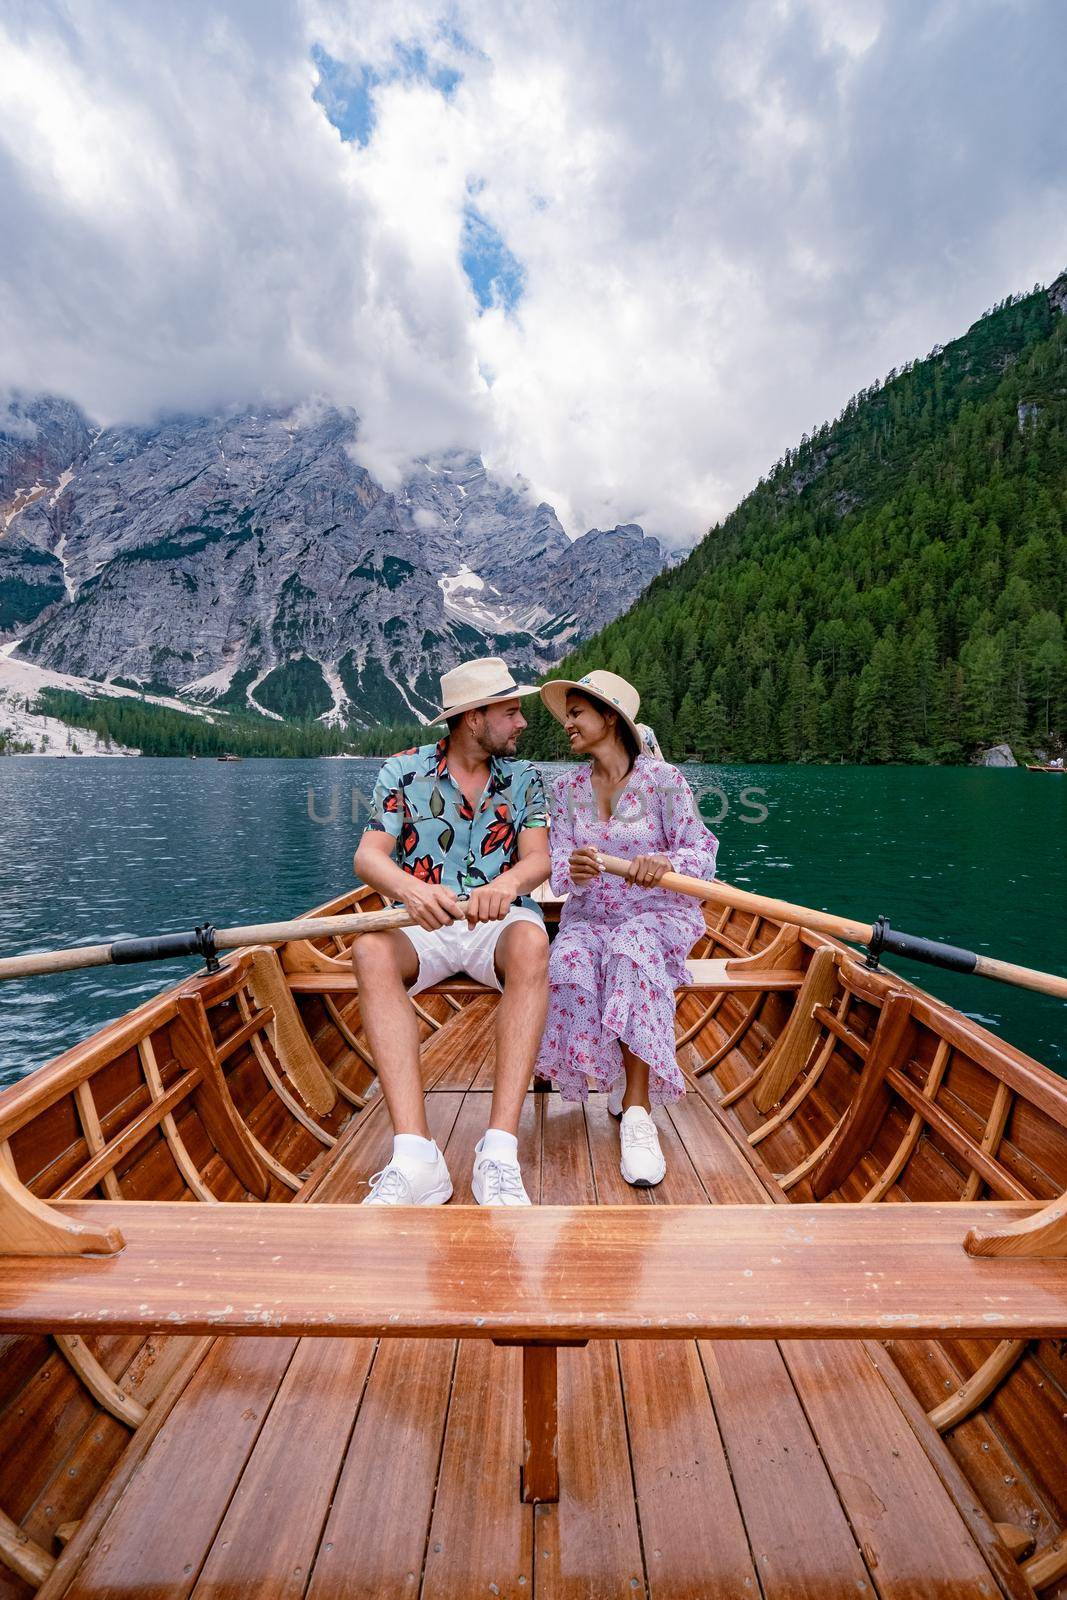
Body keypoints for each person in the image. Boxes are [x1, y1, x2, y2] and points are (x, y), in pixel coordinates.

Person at [353, 658, 550, 1207]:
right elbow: (370, 858)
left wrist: (507, 885)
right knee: (369, 950)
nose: (522, 723)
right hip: (427, 923)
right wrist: (411, 890)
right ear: (472, 719)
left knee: (534, 941)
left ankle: (499, 1153)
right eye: (511, 711)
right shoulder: (402, 772)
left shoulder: (525, 779)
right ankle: (416, 1158)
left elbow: (538, 861)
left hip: (497, 922)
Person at [535, 670, 718, 1186]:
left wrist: (664, 861)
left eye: (576, 714)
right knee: (568, 957)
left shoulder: (665, 782)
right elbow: (557, 866)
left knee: (631, 948)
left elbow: (701, 852)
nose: (566, 725)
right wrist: (575, 867)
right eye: (567, 715)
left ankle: (637, 1114)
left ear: (609, 717)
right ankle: (616, 1076)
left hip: (657, 915)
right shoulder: (567, 789)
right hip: (590, 913)